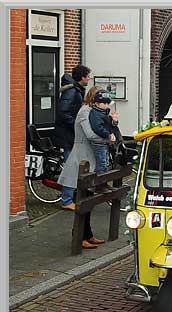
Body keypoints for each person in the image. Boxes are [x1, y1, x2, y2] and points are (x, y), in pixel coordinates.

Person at [57, 86, 111, 249]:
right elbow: (90, 135)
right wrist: (108, 139)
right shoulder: (84, 112)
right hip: (82, 159)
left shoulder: (93, 111)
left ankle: (88, 235)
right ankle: (79, 237)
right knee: (82, 200)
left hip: (90, 158)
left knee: (88, 201)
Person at [54, 64, 92, 161]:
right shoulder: (72, 92)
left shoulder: (76, 90)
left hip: (69, 131)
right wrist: (76, 123)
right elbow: (63, 112)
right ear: (82, 77)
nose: (89, 78)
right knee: (69, 159)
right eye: (88, 76)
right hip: (67, 133)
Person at [89, 89, 119, 193]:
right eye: (104, 103)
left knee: (105, 163)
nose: (107, 105)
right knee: (101, 164)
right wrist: (108, 134)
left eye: (108, 103)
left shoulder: (103, 112)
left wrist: (114, 121)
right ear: (97, 103)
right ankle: (99, 185)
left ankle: (103, 184)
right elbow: (97, 128)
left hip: (104, 142)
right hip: (99, 143)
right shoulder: (95, 113)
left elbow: (109, 125)